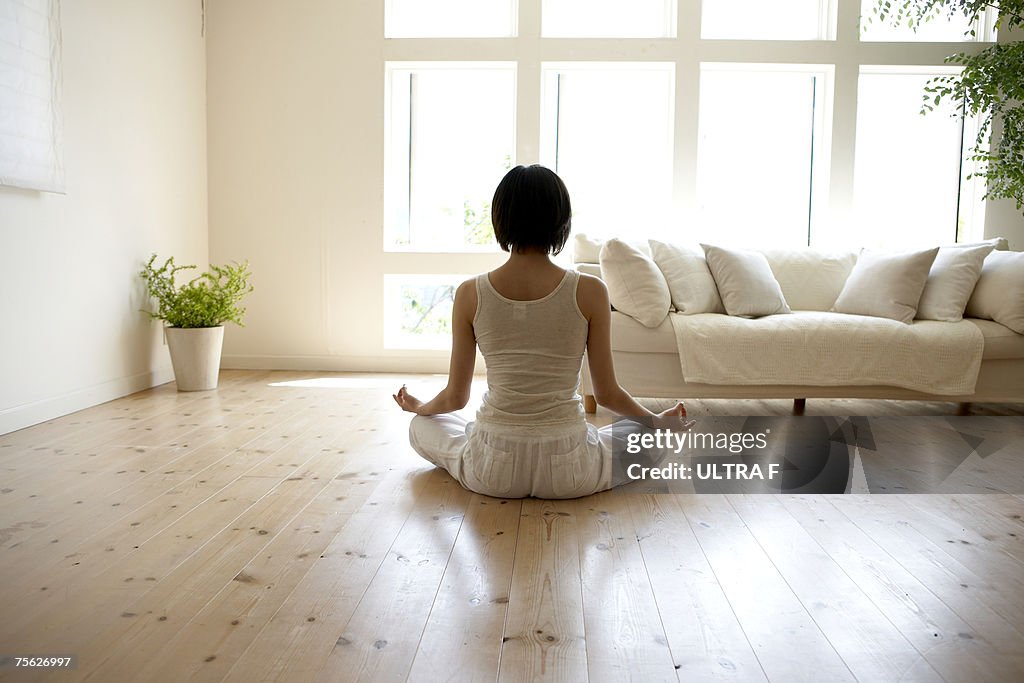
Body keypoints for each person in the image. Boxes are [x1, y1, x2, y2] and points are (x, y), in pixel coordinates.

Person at [393, 165, 691, 499]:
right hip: (570, 470)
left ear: (500, 219)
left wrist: (420, 407)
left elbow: (455, 398)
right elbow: (606, 394)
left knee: (422, 425)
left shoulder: (469, 293)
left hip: (491, 468)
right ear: (561, 221)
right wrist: (656, 422)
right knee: (648, 436)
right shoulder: (590, 291)